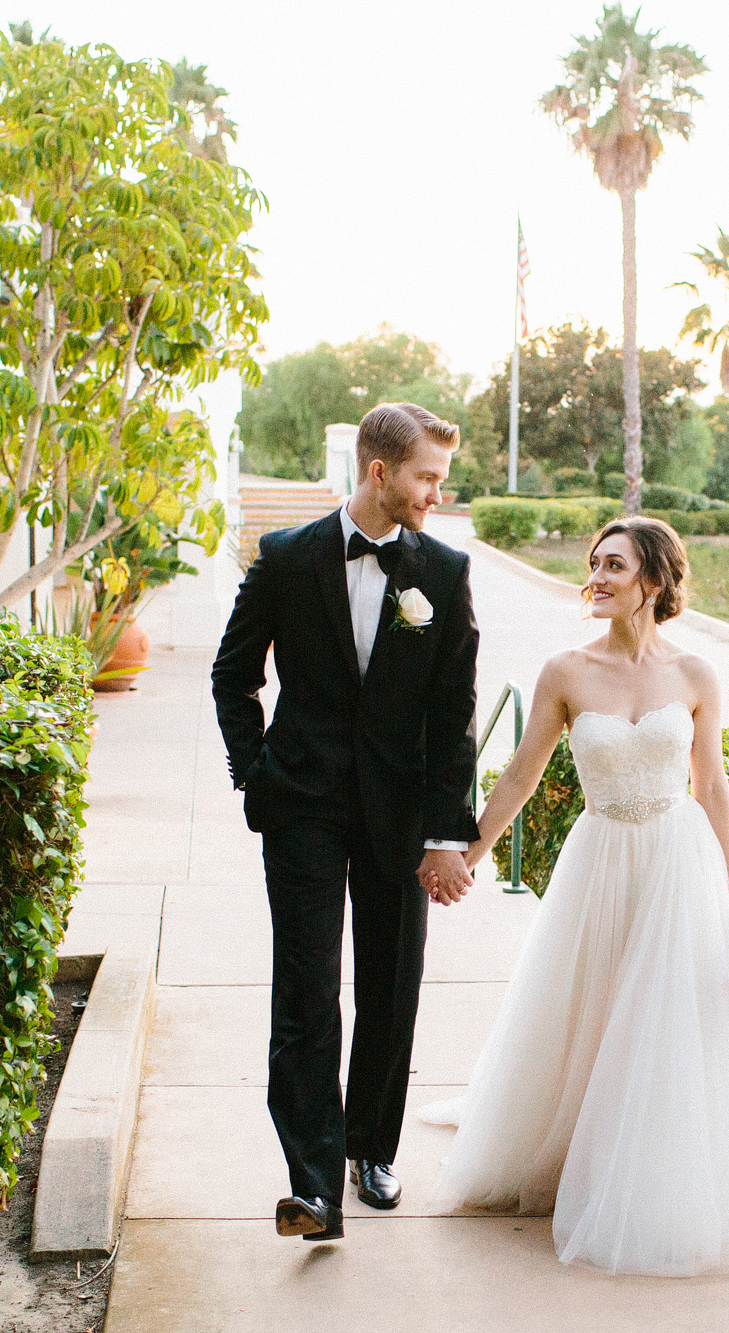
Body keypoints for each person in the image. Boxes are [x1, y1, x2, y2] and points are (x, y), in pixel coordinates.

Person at [423, 516, 729, 1276]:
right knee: (591, 1006)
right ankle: (576, 1144)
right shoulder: (565, 670)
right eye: (593, 563)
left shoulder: (694, 675)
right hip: (599, 856)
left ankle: (650, 1160)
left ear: (653, 580)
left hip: (675, 860)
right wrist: (467, 854)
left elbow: (710, 784)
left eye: (614, 564)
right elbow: (520, 777)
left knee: (663, 1016)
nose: (597, 575)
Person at [211, 401, 481, 1243]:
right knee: (305, 992)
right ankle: (314, 1183)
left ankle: (372, 1147)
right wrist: (255, 774)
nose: (436, 492)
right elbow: (233, 675)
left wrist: (446, 831)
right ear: (379, 472)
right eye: (425, 477)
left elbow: (454, 713)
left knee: (389, 986)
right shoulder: (287, 560)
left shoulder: (443, 571)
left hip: (399, 818)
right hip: (303, 809)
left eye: (440, 478)